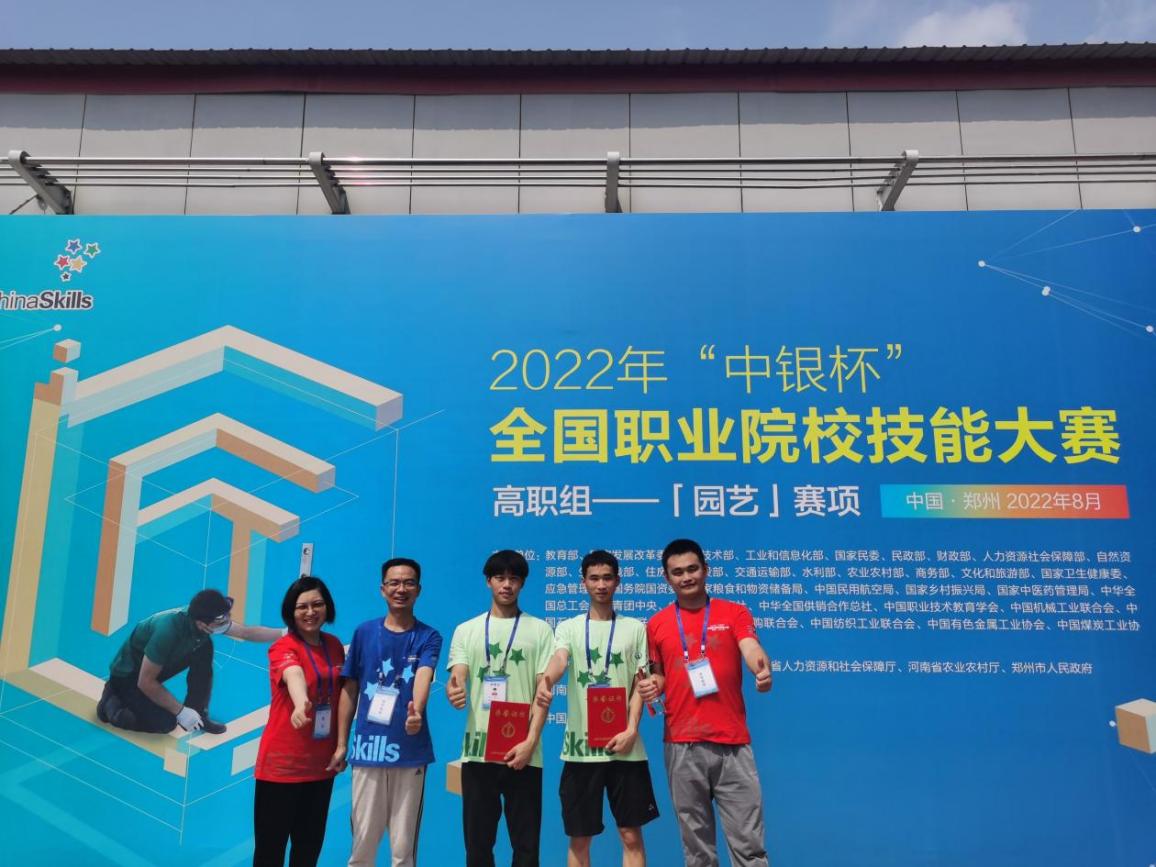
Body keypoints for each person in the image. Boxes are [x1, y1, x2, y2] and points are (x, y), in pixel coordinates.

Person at [639, 539, 773, 867]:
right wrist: (653, 686)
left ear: (706, 570)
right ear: (667, 578)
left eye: (692, 569)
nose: (686, 577)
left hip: (732, 743)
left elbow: (750, 646)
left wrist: (760, 666)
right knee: (697, 850)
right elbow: (659, 675)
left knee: (749, 846)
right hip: (681, 744)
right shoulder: (656, 624)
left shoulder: (734, 612)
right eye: (677, 572)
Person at [535, 550, 659, 867]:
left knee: (631, 836)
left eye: (607, 578)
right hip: (581, 752)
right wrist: (547, 678)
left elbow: (640, 683)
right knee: (579, 839)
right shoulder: (568, 627)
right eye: (594, 578)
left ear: (618, 581)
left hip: (626, 750)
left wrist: (632, 729)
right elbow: (560, 658)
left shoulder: (635, 628)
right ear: (584, 583)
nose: (601, 585)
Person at [446, 549, 554, 867]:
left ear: (522, 583)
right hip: (478, 753)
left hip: (524, 752)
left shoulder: (540, 630)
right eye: (500, 578)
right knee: (478, 847)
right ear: (488, 582)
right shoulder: (466, 630)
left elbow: (543, 693)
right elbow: (458, 674)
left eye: (514, 578)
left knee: (526, 848)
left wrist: (530, 742)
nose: (507, 585)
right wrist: (455, 690)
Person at [332, 558, 443, 867]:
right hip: (368, 751)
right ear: (382, 589)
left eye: (408, 583)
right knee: (362, 846)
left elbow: (424, 674)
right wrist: (341, 744)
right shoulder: (364, 632)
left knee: (403, 850)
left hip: (409, 753)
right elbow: (349, 689)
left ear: (418, 590)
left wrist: (416, 710)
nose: (401, 589)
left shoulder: (429, 636)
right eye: (394, 583)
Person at [97, 588, 284, 734]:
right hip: (129, 676)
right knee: (165, 723)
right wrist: (180, 712)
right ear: (201, 623)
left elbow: (245, 633)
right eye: (221, 621)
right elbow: (145, 682)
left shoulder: (202, 620)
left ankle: (199, 713)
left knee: (204, 647)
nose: (227, 623)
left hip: (156, 665)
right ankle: (111, 704)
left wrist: (286, 633)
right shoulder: (167, 631)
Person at [253, 576, 346, 867]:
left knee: (308, 851)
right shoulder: (283, 646)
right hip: (281, 768)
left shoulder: (334, 645)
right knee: (270, 852)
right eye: (302, 606)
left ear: (327, 607)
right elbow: (293, 673)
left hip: (321, 766)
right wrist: (301, 701)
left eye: (317, 604)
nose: (310, 612)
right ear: (290, 612)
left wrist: (341, 744)